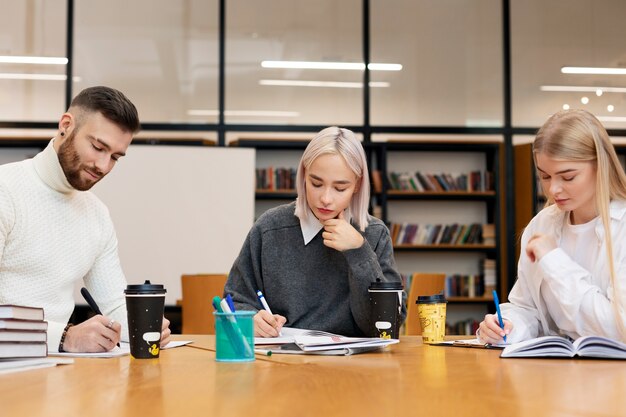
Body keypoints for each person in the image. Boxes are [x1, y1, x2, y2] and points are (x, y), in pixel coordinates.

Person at [0, 86, 171, 352]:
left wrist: (142, 324)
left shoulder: (97, 214)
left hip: (56, 370)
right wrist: (63, 336)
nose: (103, 166)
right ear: (66, 125)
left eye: (115, 157)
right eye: (97, 147)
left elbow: (113, 303)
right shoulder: (5, 191)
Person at [224, 126, 406, 337]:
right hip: (282, 362)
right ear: (303, 176)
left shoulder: (374, 234)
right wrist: (249, 319)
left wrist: (359, 251)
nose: (326, 199)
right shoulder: (269, 228)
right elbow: (232, 303)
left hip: (355, 364)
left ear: (357, 185)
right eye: (316, 183)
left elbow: (389, 324)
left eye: (340, 188)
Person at [479, 109, 626, 344]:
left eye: (567, 177)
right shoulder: (542, 224)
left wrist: (555, 261)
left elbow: (618, 329)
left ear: (601, 166)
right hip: (552, 371)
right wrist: (507, 326)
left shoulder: (622, 228)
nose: (553, 190)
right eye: (544, 177)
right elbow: (528, 308)